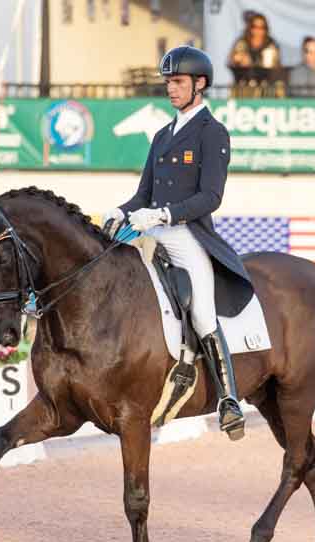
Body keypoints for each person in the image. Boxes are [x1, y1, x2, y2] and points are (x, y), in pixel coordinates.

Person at [102, 46, 254, 440]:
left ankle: (228, 399)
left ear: (199, 85)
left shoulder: (212, 133)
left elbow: (211, 197)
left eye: (178, 82)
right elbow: (144, 194)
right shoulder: (161, 135)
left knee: (203, 314)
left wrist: (165, 215)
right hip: (150, 228)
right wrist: (121, 211)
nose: (171, 88)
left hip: (187, 234)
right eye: (168, 82)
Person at [227, 11, 281, 84]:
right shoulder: (242, 42)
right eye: (255, 26)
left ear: (266, 29)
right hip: (244, 83)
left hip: (266, 84)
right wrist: (239, 59)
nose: (258, 30)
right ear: (250, 28)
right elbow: (232, 60)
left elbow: (277, 66)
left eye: (262, 27)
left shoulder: (271, 44)